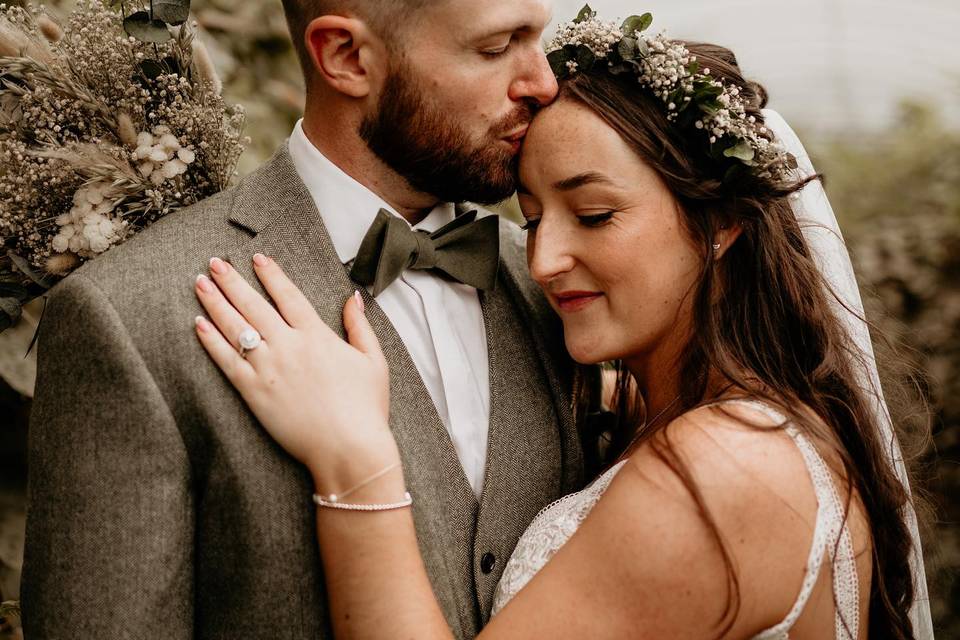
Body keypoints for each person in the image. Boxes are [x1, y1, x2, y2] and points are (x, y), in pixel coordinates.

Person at [192, 11, 933, 640]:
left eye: (596, 215)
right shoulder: (697, 421)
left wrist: (356, 465)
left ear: (723, 223)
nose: (542, 260)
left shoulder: (729, 470)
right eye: (535, 219)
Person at [22, 1, 580, 638]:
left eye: (538, 38)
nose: (543, 82)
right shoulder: (131, 315)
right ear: (345, 57)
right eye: (495, 47)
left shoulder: (559, 283)